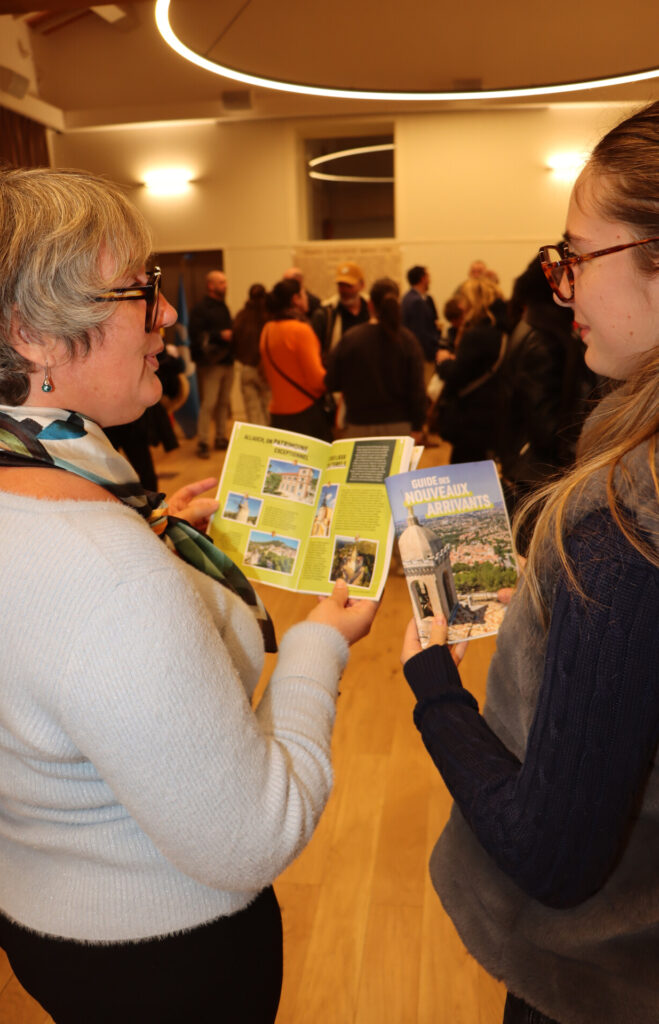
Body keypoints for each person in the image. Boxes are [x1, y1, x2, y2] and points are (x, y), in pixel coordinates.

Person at [0, 164, 378, 1024]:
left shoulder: (22, 468)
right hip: (159, 956)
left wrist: (155, 528)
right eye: (139, 289)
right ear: (32, 336)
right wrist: (320, 644)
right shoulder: (103, 574)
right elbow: (253, 835)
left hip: (35, 902)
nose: (166, 312)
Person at [400, 100, 659, 1024]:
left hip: (596, 979)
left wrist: (431, 682)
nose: (562, 289)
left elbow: (552, 855)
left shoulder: (625, 521)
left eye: (574, 257)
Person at [496, 255, 598, 536]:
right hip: (539, 475)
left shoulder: (534, 328)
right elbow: (546, 424)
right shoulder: (545, 339)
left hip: (529, 470)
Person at [325, 276, 427, 439]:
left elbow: (332, 381)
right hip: (400, 427)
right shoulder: (408, 340)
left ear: (370, 304)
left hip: (359, 425)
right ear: (397, 304)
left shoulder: (351, 338)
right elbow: (417, 389)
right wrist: (418, 425)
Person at [435, 276, 507, 462]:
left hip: (471, 419)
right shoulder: (503, 331)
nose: (460, 305)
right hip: (494, 415)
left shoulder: (476, 335)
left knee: (465, 478)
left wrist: (444, 363)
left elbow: (456, 376)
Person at [260, 278, 332, 442]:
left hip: (278, 414)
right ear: (295, 299)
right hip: (305, 415)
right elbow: (316, 380)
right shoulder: (300, 330)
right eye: (304, 294)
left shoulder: (267, 328)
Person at [189, 269, 234, 458]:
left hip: (227, 361)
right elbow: (195, 335)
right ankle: (203, 441)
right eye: (221, 282)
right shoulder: (200, 309)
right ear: (211, 285)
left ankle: (221, 437)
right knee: (209, 403)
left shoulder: (223, 306)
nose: (225, 285)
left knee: (224, 402)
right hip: (211, 363)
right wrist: (219, 335)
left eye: (225, 282)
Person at [231, 282, 272, 425]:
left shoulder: (241, 316)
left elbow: (233, 342)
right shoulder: (270, 317)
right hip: (266, 370)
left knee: (252, 413)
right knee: (269, 411)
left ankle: (258, 445)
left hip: (247, 368)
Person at [311, 261, 369, 355]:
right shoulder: (326, 313)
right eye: (341, 285)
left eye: (349, 286)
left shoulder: (371, 309)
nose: (344, 290)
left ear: (362, 285)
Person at [400, 264, 441, 369]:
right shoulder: (417, 302)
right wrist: (434, 352)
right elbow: (421, 332)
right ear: (423, 278)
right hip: (423, 356)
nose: (430, 280)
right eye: (428, 277)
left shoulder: (408, 298)